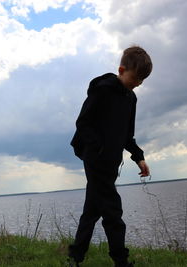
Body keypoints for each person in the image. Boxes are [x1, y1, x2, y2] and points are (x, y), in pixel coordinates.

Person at [68, 46, 152, 267]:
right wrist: (99, 148)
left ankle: (75, 257)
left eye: (142, 81)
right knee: (113, 211)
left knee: (92, 210)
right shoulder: (102, 90)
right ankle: (121, 261)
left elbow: (127, 136)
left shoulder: (131, 99)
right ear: (121, 69)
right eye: (135, 78)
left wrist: (139, 157)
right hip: (95, 159)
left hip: (111, 161)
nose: (138, 84)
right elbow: (82, 123)